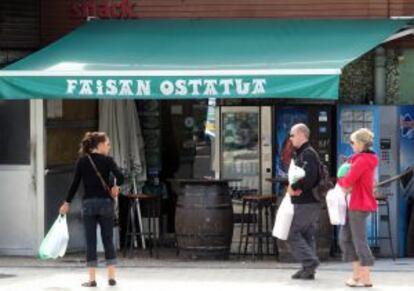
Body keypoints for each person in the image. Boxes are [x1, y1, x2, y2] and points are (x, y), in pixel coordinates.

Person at [59, 132, 124, 287]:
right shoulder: (108, 161)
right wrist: (116, 187)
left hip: (89, 205)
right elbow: (120, 177)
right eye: (107, 144)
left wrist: (67, 202)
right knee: (108, 239)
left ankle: (92, 279)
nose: (109, 147)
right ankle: (111, 277)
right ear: (99, 145)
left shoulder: (82, 161)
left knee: (91, 241)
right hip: (106, 204)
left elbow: (74, 184)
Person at [337, 128, 378, 287]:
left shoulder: (361, 161)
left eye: (353, 142)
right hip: (357, 203)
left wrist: (341, 177)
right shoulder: (360, 159)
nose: (351, 145)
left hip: (358, 204)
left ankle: (365, 277)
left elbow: (347, 182)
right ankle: (356, 275)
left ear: (361, 144)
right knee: (346, 238)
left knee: (359, 241)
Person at [286, 123, 321, 280]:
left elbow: (309, 178)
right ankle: (308, 270)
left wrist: (293, 186)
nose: (290, 138)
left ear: (301, 134)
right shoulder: (302, 153)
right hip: (307, 200)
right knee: (307, 234)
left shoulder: (307, 154)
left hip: (307, 201)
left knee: (291, 233)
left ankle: (310, 262)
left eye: (292, 135)